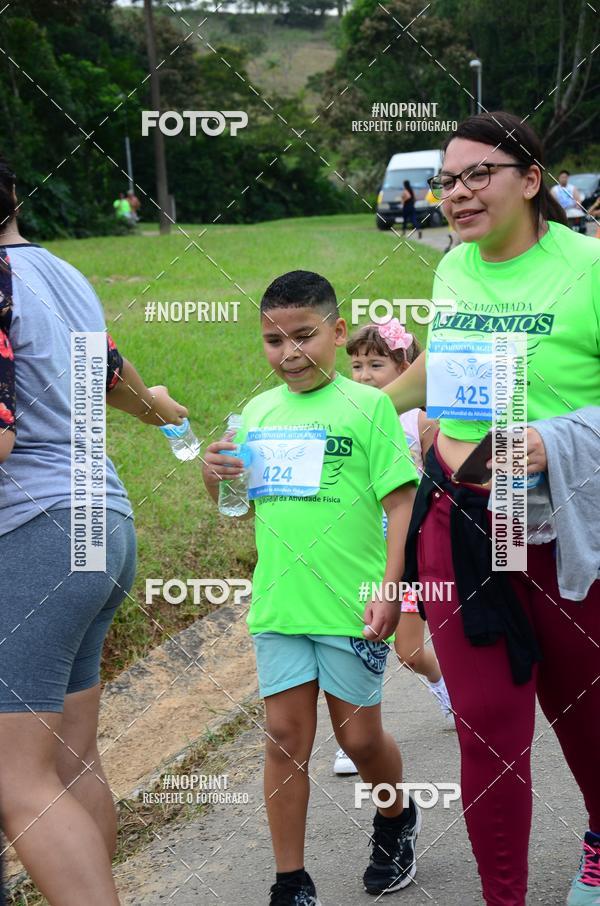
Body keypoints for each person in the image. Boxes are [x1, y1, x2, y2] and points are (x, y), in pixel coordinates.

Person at [385, 112, 600, 906]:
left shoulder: (590, 266)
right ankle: (501, 897)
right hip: (467, 520)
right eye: (449, 180)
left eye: (480, 174)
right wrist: (362, 404)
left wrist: (554, 439)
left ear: (532, 179)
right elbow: (446, 366)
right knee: (486, 730)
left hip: (563, 529)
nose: (459, 193)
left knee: (585, 720)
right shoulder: (456, 270)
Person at [0, 155, 187, 905]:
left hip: (34, 532)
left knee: (15, 778)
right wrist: (159, 411)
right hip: (100, 523)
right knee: (70, 763)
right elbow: (110, 374)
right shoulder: (62, 275)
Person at [202, 270, 421, 905]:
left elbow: (401, 500)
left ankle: (395, 817)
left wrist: (390, 587)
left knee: (358, 738)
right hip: (280, 604)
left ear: (337, 331)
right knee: (284, 738)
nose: (288, 353)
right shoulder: (258, 413)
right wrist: (215, 476)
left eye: (303, 336)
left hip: (353, 604)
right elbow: (236, 504)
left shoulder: (369, 405)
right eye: (273, 340)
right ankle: (290, 881)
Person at [332, 318, 453, 776]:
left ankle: (445, 685)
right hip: (358, 549)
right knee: (355, 641)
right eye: (357, 365)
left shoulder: (418, 418)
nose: (363, 375)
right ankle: (356, 738)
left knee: (405, 651)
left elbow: (440, 479)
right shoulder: (349, 415)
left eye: (376, 364)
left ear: (405, 365)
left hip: (405, 551)